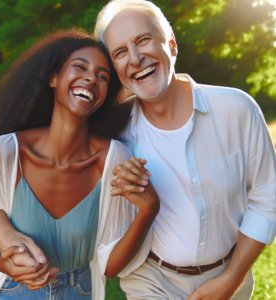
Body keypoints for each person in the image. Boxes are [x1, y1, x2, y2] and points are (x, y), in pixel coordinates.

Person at [92, 0, 276, 299]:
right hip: (150, 280)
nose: (136, 58)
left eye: (143, 40)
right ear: (114, 70)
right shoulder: (114, 135)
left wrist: (232, 279)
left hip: (230, 275)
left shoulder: (237, 110)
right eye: (120, 52)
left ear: (172, 46)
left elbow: (267, 198)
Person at [0, 29, 159, 300]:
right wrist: (3, 262)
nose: (91, 78)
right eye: (80, 67)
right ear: (53, 77)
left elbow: (110, 266)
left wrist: (149, 210)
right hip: (10, 291)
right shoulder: (9, 150)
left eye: (102, 76)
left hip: (78, 292)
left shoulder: (114, 159)